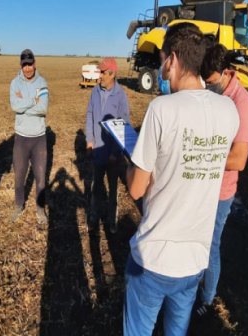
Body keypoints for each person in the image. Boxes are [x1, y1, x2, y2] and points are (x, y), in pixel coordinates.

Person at [123, 23, 239, 335]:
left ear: (172, 59)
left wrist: (130, 163)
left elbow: (136, 187)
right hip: (194, 260)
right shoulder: (229, 110)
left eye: (161, 59)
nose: (161, 67)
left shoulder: (161, 109)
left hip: (154, 259)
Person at [195, 44, 248, 316]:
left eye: (210, 83)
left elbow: (238, 159)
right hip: (202, 184)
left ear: (226, 72)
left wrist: (198, 157)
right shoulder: (213, 95)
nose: (207, 88)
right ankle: (195, 285)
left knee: (211, 246)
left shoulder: (242, 103)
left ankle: (207, 300)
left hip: (220, 191)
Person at [85, 57, 130, 233]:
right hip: (96, 150)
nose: (100, 75)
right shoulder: (95, 91)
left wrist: (115, 151)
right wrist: (90, 139)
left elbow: (124, 125)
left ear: (112, 74)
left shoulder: (121, 96)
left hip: (112, 154)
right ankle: (93, 217)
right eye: (100, 72)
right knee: (96, 187)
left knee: (112, 189)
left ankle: (112, 220)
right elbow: (89, 114)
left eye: (103, 72)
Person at [9, 49, 49, 225]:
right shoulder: (14, 83)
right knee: (19, 177)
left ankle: (40, 210)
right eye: (24, 65)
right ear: (21, 65)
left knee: (40, 178)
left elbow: (43, 109)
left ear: (34, 63)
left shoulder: (42, 83)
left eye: (30, 64)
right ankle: (19, 206)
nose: (27, 68)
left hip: (39, 139)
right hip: (21, 139)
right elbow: (15, 107)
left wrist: (24, 102)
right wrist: (33, 100)